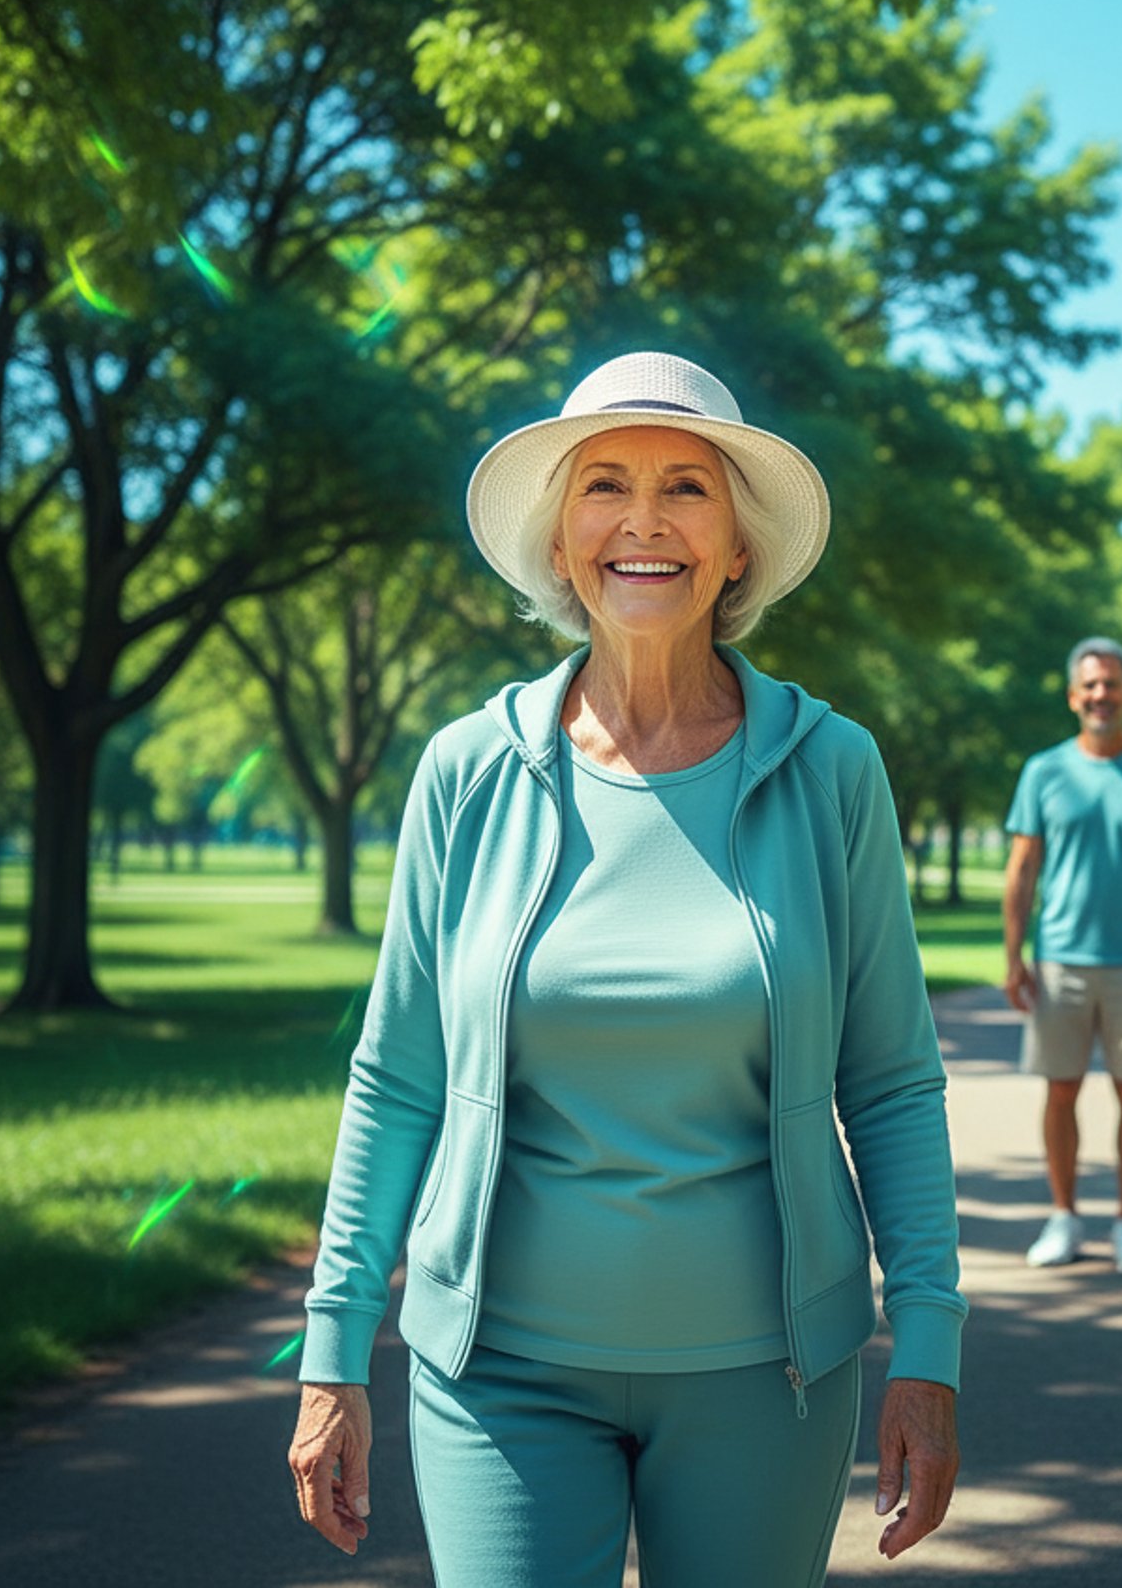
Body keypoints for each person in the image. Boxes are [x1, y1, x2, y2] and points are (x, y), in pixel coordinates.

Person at [287, 352, 964, 1587]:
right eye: (605, 484)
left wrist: (928, 1343)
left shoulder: (833, 770)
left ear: (740, 547)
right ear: (559, 541)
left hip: (771, 1380)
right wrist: (332, 1351)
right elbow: (397, 1080)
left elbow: (893, 1085)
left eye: (687, 489)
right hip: (499, 1375)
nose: (643, 523)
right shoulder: (467, 771)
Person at [1001, 637, 1122, 1275]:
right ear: (1072, 696)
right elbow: (1023, 867)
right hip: (1059, 959)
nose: (1101, 695)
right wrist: (1013, 957)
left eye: (1112, 684)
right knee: (1060, 1092)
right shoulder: (1044, 771)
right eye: (1090, 685)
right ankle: (1063, 1219)